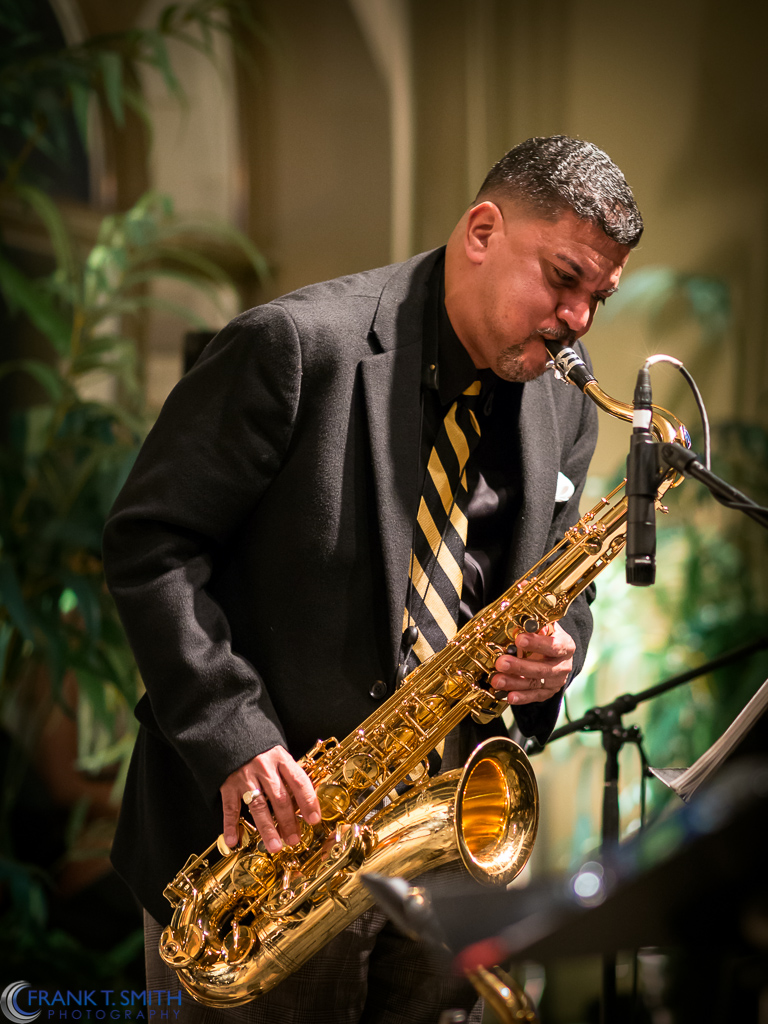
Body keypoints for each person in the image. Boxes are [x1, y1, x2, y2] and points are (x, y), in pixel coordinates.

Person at [102, 135, 642, 1023]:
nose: (578, 319)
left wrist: (561, 650)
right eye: (563, 278)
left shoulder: (564, 404)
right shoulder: (292, 345)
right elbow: (150, 545)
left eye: (598, 297)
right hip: (264, 862)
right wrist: (234, 736)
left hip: (443, 850)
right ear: (482, 231)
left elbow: (560, 582)